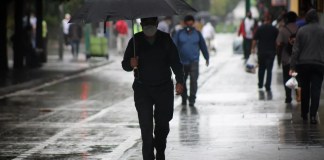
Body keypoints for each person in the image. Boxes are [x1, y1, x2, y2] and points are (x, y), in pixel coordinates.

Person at [122, 17, 184, 160]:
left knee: (162, 125)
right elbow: (125, 64)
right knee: (146, 127)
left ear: (156, 24)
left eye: (151, 23)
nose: (149, 26)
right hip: (142, 89)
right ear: (141, 25)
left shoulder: (166, 39)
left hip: (164, 89)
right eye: (146, 23)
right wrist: (130, 63)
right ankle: (148, 157)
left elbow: (176, 62)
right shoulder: (135, 41)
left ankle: (160, 149)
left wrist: (180, 81)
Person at [290, 9, 324, 124]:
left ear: (307, 18)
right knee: (316, 90)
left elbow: (296, 50)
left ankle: (304, 113)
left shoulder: (301, 30)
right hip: (319, 64)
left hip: (303, 64)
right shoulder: (322, 30)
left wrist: (292, 66)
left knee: (304, 89)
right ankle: (313, 116)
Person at [173, 15, 209, 107]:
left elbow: (203, 46)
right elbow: (173, 46)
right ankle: (184, 98)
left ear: (193, 23)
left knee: (194, 81)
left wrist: (206, 58)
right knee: (182, 81)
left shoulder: (197, 34)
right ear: (184, 23)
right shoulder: (179, 33)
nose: (189, 24)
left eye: (191, 22)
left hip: (194, 62)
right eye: (187, 22)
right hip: (182, 62)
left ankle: (192, 99)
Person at [276, 11, 299, 103]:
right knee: (298, 78)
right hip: (298, 60)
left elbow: (278, 44)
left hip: (286, 59)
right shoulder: (300, 29)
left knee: (286, 77)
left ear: (287, 19)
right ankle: (298, 96)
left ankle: (288, 97)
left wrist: (278, 57)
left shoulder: (283, 30)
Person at [251, 14, 278, 92]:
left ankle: (260, 84)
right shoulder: (274, 29)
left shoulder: (260, 28)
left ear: (264, 19)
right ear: (270, 20)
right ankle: (268, 86)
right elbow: (277, 41)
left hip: (261, 52)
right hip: (271, 52)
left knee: (261, 69)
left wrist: (252, 49)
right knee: (269, 70)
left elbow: (254, 40)